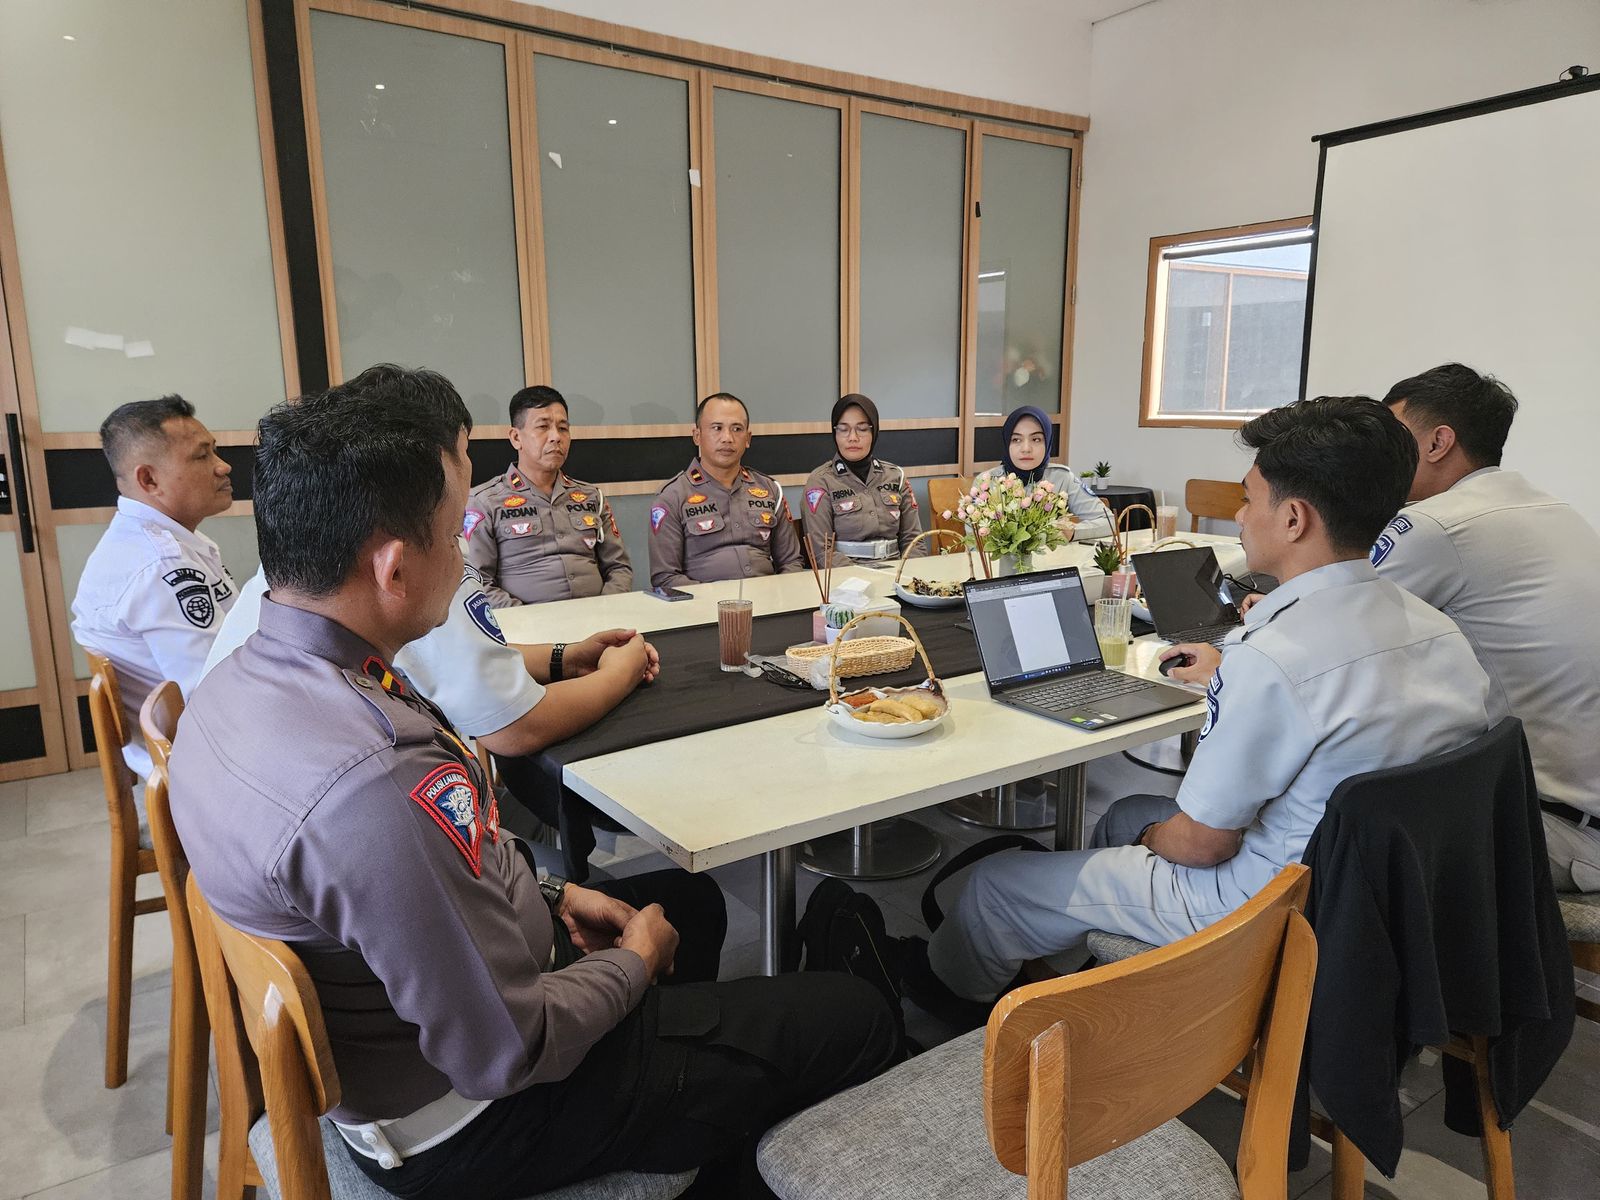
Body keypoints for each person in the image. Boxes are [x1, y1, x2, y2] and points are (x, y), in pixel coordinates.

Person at [170, 365, 898, 1200]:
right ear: (393, 568)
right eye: (453, 537)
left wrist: (551, 896)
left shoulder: (238, 685)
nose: (465, 557)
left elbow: (443, 879)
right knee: (854, 1016)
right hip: (480, 1115)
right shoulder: (374, 784)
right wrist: (632, 964)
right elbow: (506, 1047)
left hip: (427, 1032)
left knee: (692, 904)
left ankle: (706, 1114)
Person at [906, 396, 1491, 1022]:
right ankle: (1076, 985)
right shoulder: (1441, 633)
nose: (1238, 518)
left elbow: (1202, 844)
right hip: (1384, 903)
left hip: (1260, 911)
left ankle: (955, 1008)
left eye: (1247, 498)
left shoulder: (1273, 658)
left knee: (996, 888)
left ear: (1293, 518)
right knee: (1125, 813)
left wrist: (1150, 839)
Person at [1372, 364, 1600, 893]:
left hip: (1560, 829)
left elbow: (1334, 639)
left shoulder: (1435, 524)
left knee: (1337, 818)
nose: (1377, 457)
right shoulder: (1550, 507)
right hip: (1576, 809)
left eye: (1390, 438)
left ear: (1438, 442)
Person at [71, 395, 238, 783]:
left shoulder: (163, 544)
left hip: (189, 748)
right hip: (199, 768)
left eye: (215, 450)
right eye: (202, 456)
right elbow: (212, 694)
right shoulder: (159, 565)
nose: (223, 466)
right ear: (149, 479)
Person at [464, 386, 632, 606]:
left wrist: (605, 609)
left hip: (598, 623)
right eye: (543, 427)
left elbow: (619, 567)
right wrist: (530, 621)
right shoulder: (485, 501)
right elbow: (478, 582)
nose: (556, 437)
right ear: (516, 438)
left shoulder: (592, 496)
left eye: (563, 428)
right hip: (528, 630)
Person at [649, 393, 806, 588]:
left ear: (748, 438)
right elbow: (665, 578)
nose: (727, 438)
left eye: (737, 429)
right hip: (704, 608)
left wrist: (779, 596)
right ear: (697, 436)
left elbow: (791, 563)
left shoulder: (769, 490)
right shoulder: (672, 497)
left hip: (767, 601)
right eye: (717, 428)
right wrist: (715, 601)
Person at [801, 393, 924, 567]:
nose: (853, 437)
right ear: (834, 433)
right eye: (843, 429)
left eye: (862, 428)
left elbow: (914, 540)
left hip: (897, 572)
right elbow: (821, 552)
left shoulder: (896, 476)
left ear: (874, 431)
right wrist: (861, 580)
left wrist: (909, 578)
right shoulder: (820, 481)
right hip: (846, 579)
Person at [975, 405, 1112, 542]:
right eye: (1016, 440)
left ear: (1048, 442)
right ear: (1006, 443)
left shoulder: (1062, 478)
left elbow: (1108, 522)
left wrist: (1073, 532)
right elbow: (976, 541)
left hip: (1053, 561)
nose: (1026, 449)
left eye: (1036, 439)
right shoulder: (987, 483)